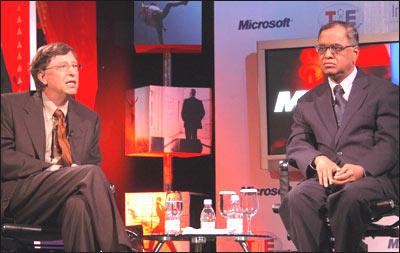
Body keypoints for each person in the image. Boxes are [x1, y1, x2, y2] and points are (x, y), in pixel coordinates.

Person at [1, 43, 136, 252]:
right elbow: (4, 156)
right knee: (89, 174)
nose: (73, 72)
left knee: (79, 207)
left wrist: (71, 174)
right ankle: (120, 249)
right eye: (63, 66)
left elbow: (93, 167)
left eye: (75, 66)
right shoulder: (11, 106)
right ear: (42, 76)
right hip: (24, 197)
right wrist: (48, 168)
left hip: (66, 196)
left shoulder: (89, 119)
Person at [279, 21, 399, 252]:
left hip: (371, 179)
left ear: (355, 52)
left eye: (336, 47)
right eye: (322, 49)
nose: (327, 55)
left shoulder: (385, 92)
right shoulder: (308, 101)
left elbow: (391, 144)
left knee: (348, 198)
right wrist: (317, 160)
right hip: (326, 179)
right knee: (296, 199)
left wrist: (361, 169)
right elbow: (298, 141)